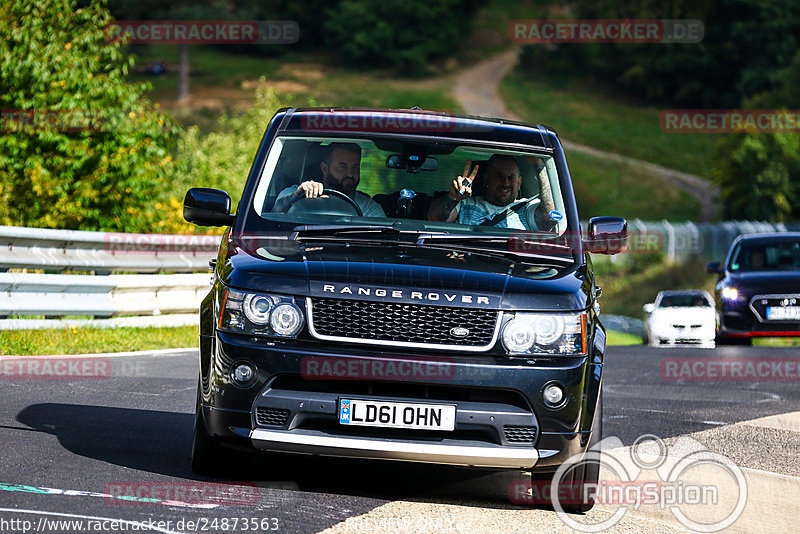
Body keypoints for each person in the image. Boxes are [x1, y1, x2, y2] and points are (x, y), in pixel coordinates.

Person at [427, 154, 557, 230]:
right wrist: (453, 198)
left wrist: (539, 166)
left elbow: (550, 217)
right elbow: (435, 219)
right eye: (498, 176)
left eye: (511, 177)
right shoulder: (464, 204)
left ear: (519, 183)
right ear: (486, 179)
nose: (505, 182)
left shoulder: (528, 208)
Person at [273, 142, 386, 217]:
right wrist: (298, 195)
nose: (350, 174)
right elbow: (275, 212)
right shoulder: (297, 192)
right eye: (343, 166)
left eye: (355, 167)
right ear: (324, 168)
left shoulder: (368, 207)